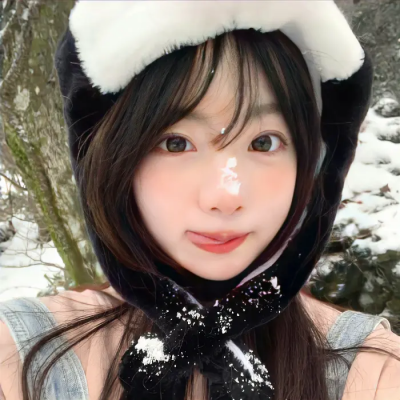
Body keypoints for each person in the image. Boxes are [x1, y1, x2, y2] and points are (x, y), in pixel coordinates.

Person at [0, 1, 399, 399]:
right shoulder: (22, 357)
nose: (225, 197)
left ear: (315, 165)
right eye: (176, 143)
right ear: (110, 163)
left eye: (264, 142)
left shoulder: (371, 370)